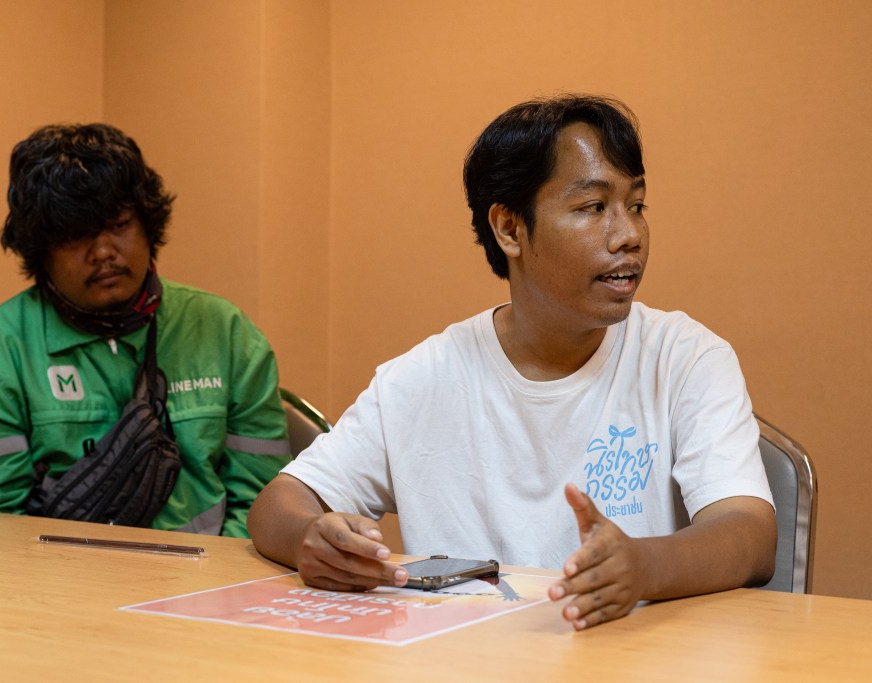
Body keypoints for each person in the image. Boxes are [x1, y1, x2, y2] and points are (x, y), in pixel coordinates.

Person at [247, 95, 777, 629]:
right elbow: (279, 504)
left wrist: (643, 566)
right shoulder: (420, 379)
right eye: (594, 207)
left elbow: (750, 534)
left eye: (636, 205)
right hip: (459, 657)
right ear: (509, 228)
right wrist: (311, 540)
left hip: (629, 654)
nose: (629, 235)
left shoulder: (686, 358)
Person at [0, 123, 290, 537]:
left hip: (208, 573)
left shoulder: (228, 335)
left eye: (119, 225)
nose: (103, 252)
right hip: (52, 577)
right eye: (75, 236)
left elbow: (264, 508)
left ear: (149, 226)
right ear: (40, 251)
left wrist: (210, 577)